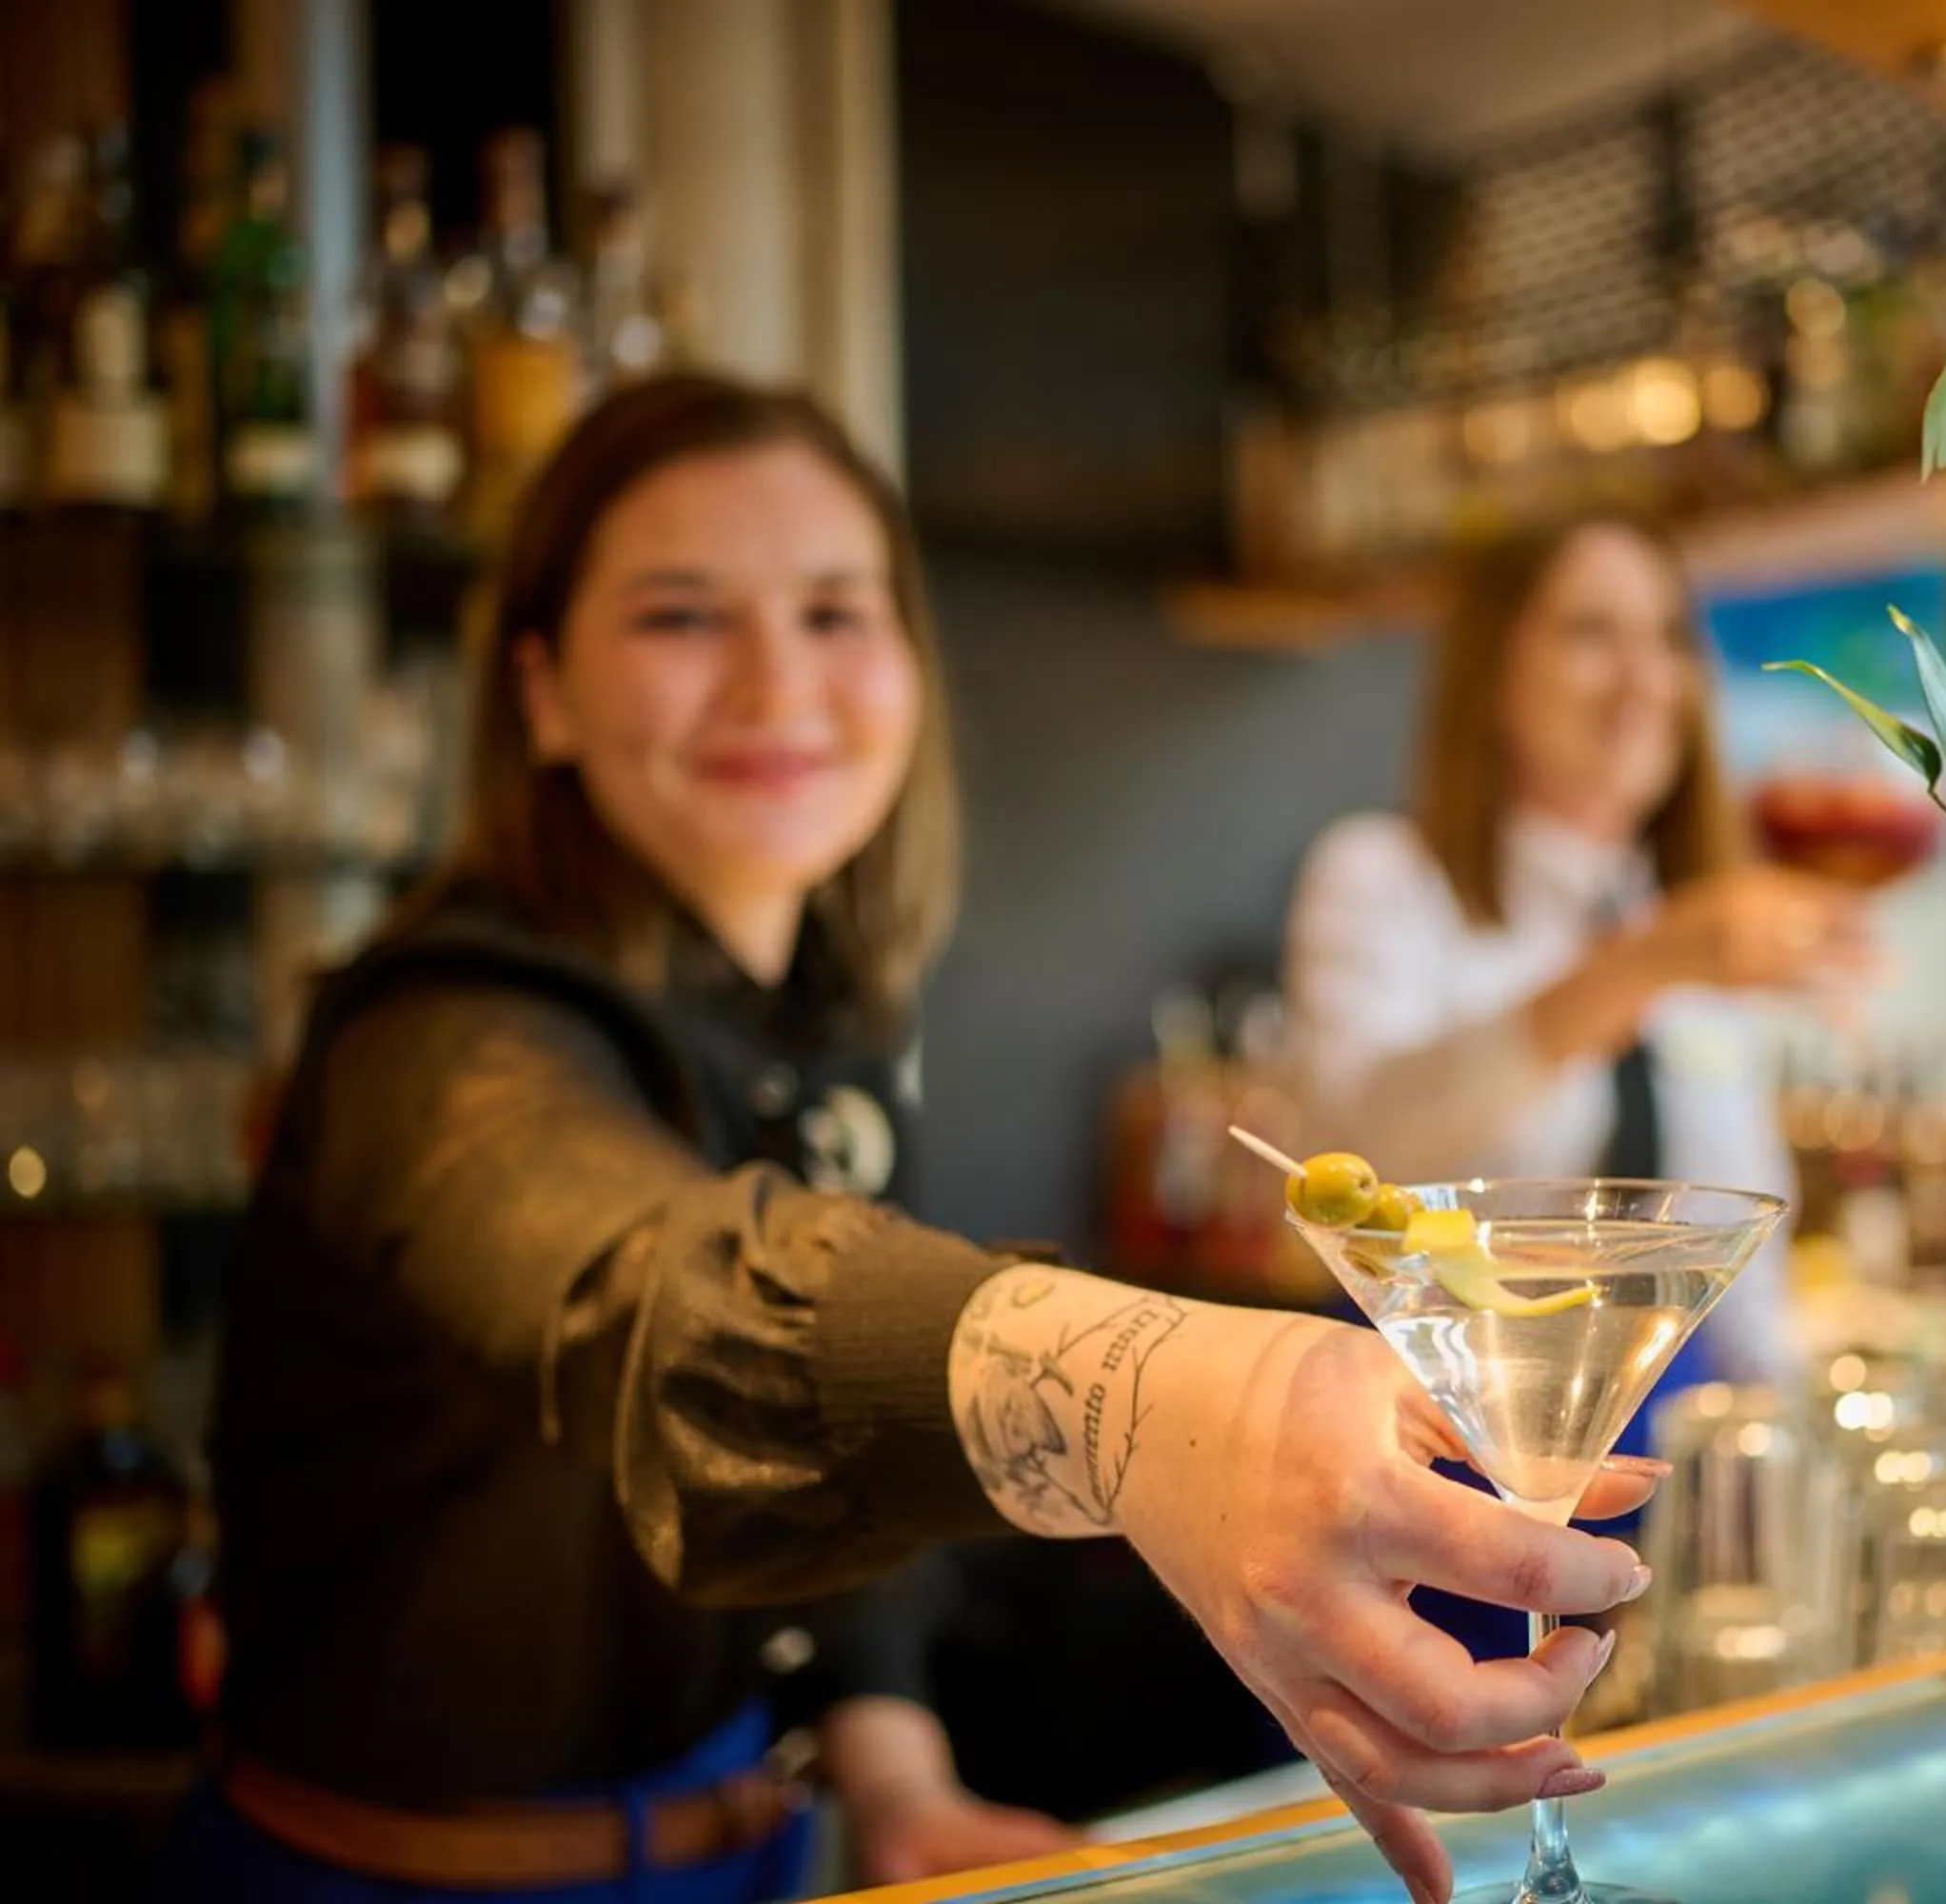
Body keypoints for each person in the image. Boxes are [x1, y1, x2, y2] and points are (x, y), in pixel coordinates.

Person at [169, 377, 1658, 1904]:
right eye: (683, 618)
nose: (775, 684)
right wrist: (1147, 1395)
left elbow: (822, 1481)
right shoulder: (432, 1036)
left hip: (760, 1857)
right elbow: (677, 1304)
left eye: (834, 613)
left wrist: (896, 1778)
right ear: (540, 689)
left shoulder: (828, 1030)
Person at [1285, 517, 1873, 1401]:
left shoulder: (1689, 922)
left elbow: (1741, 1260)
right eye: (1591, 633)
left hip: (1667, 1437)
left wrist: (1782, 1432)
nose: (1644, 681)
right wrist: (1638, 968)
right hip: (1438, 1422)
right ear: (1491, 671)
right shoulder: (1382, 876)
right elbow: (1359, 1157)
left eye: (1667, 638)